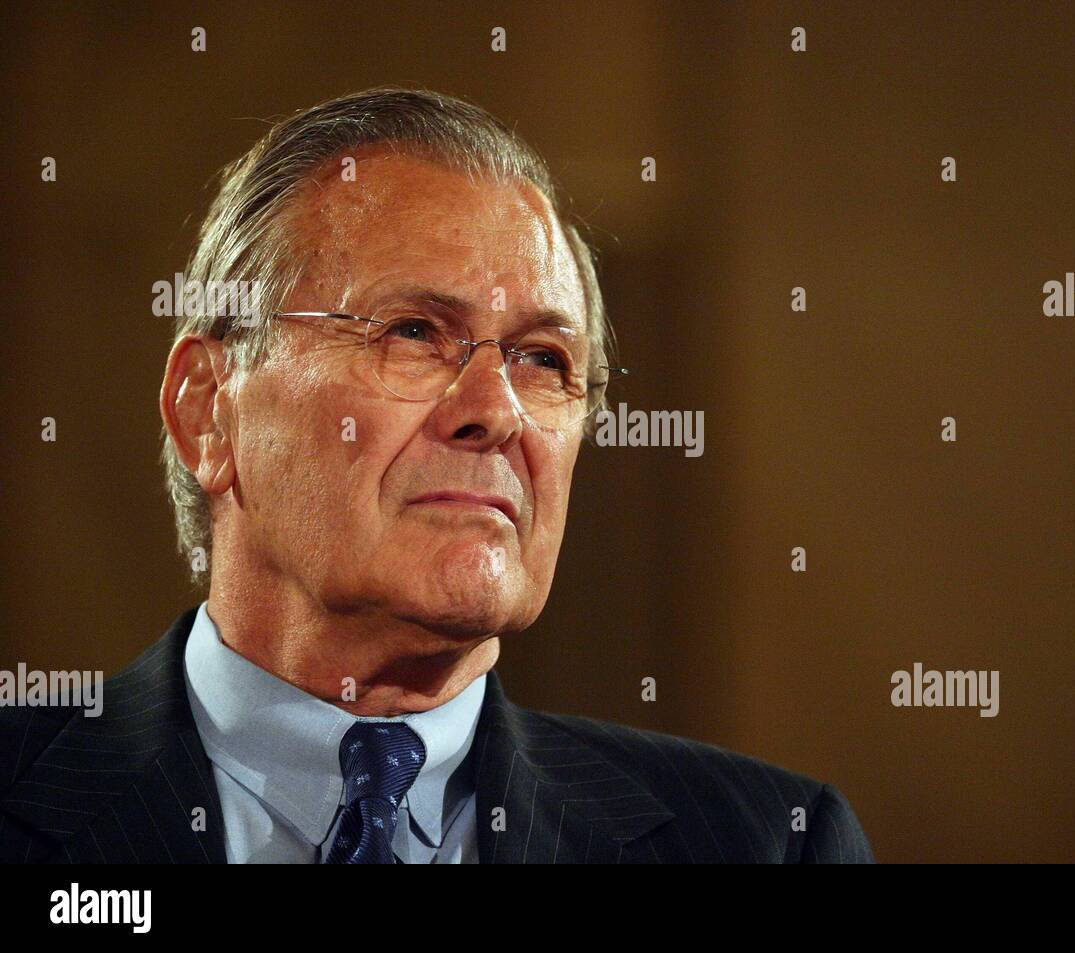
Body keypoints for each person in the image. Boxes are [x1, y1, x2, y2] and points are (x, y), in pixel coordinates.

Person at [0, 87, 873, 864]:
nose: (495, 409)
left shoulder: (767, 842)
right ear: (208, 409)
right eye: (414, 332)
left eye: (542, 358)